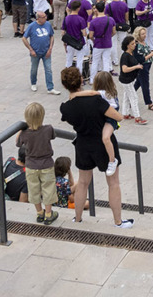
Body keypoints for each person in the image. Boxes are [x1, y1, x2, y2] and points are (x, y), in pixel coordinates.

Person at [58, 67, 133, 228]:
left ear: (65, 86)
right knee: (113, 183)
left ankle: (77, 218)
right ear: (81, 80)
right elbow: (118, 117)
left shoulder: (66, 107)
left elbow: (69, 112)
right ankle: (118, 222)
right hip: (103, 144)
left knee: (83, 182)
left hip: (83, 144)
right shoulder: (96, 100)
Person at [16, 102, 58, 225]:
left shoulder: (25, 133)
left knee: (33, 189)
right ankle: (49, 214)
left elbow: (18, 143)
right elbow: (53, 136)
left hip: (31, 165)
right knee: (48, 188)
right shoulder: (48, 129)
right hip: (46, 164)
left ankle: (39, 213)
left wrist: (21, 129)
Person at [23, 11, 58, 95]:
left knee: (48, 69)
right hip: (35, 52)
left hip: (46, 51)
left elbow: (51, 36)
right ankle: (33, 83)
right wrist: (31, 49)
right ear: (38, 18)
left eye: (45, 16)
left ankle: (50, 87)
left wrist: (50, 48)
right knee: (34, 69)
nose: (46, 18)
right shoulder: (32, 26)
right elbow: (24, 38)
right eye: (43, 17)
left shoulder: (48, 24)